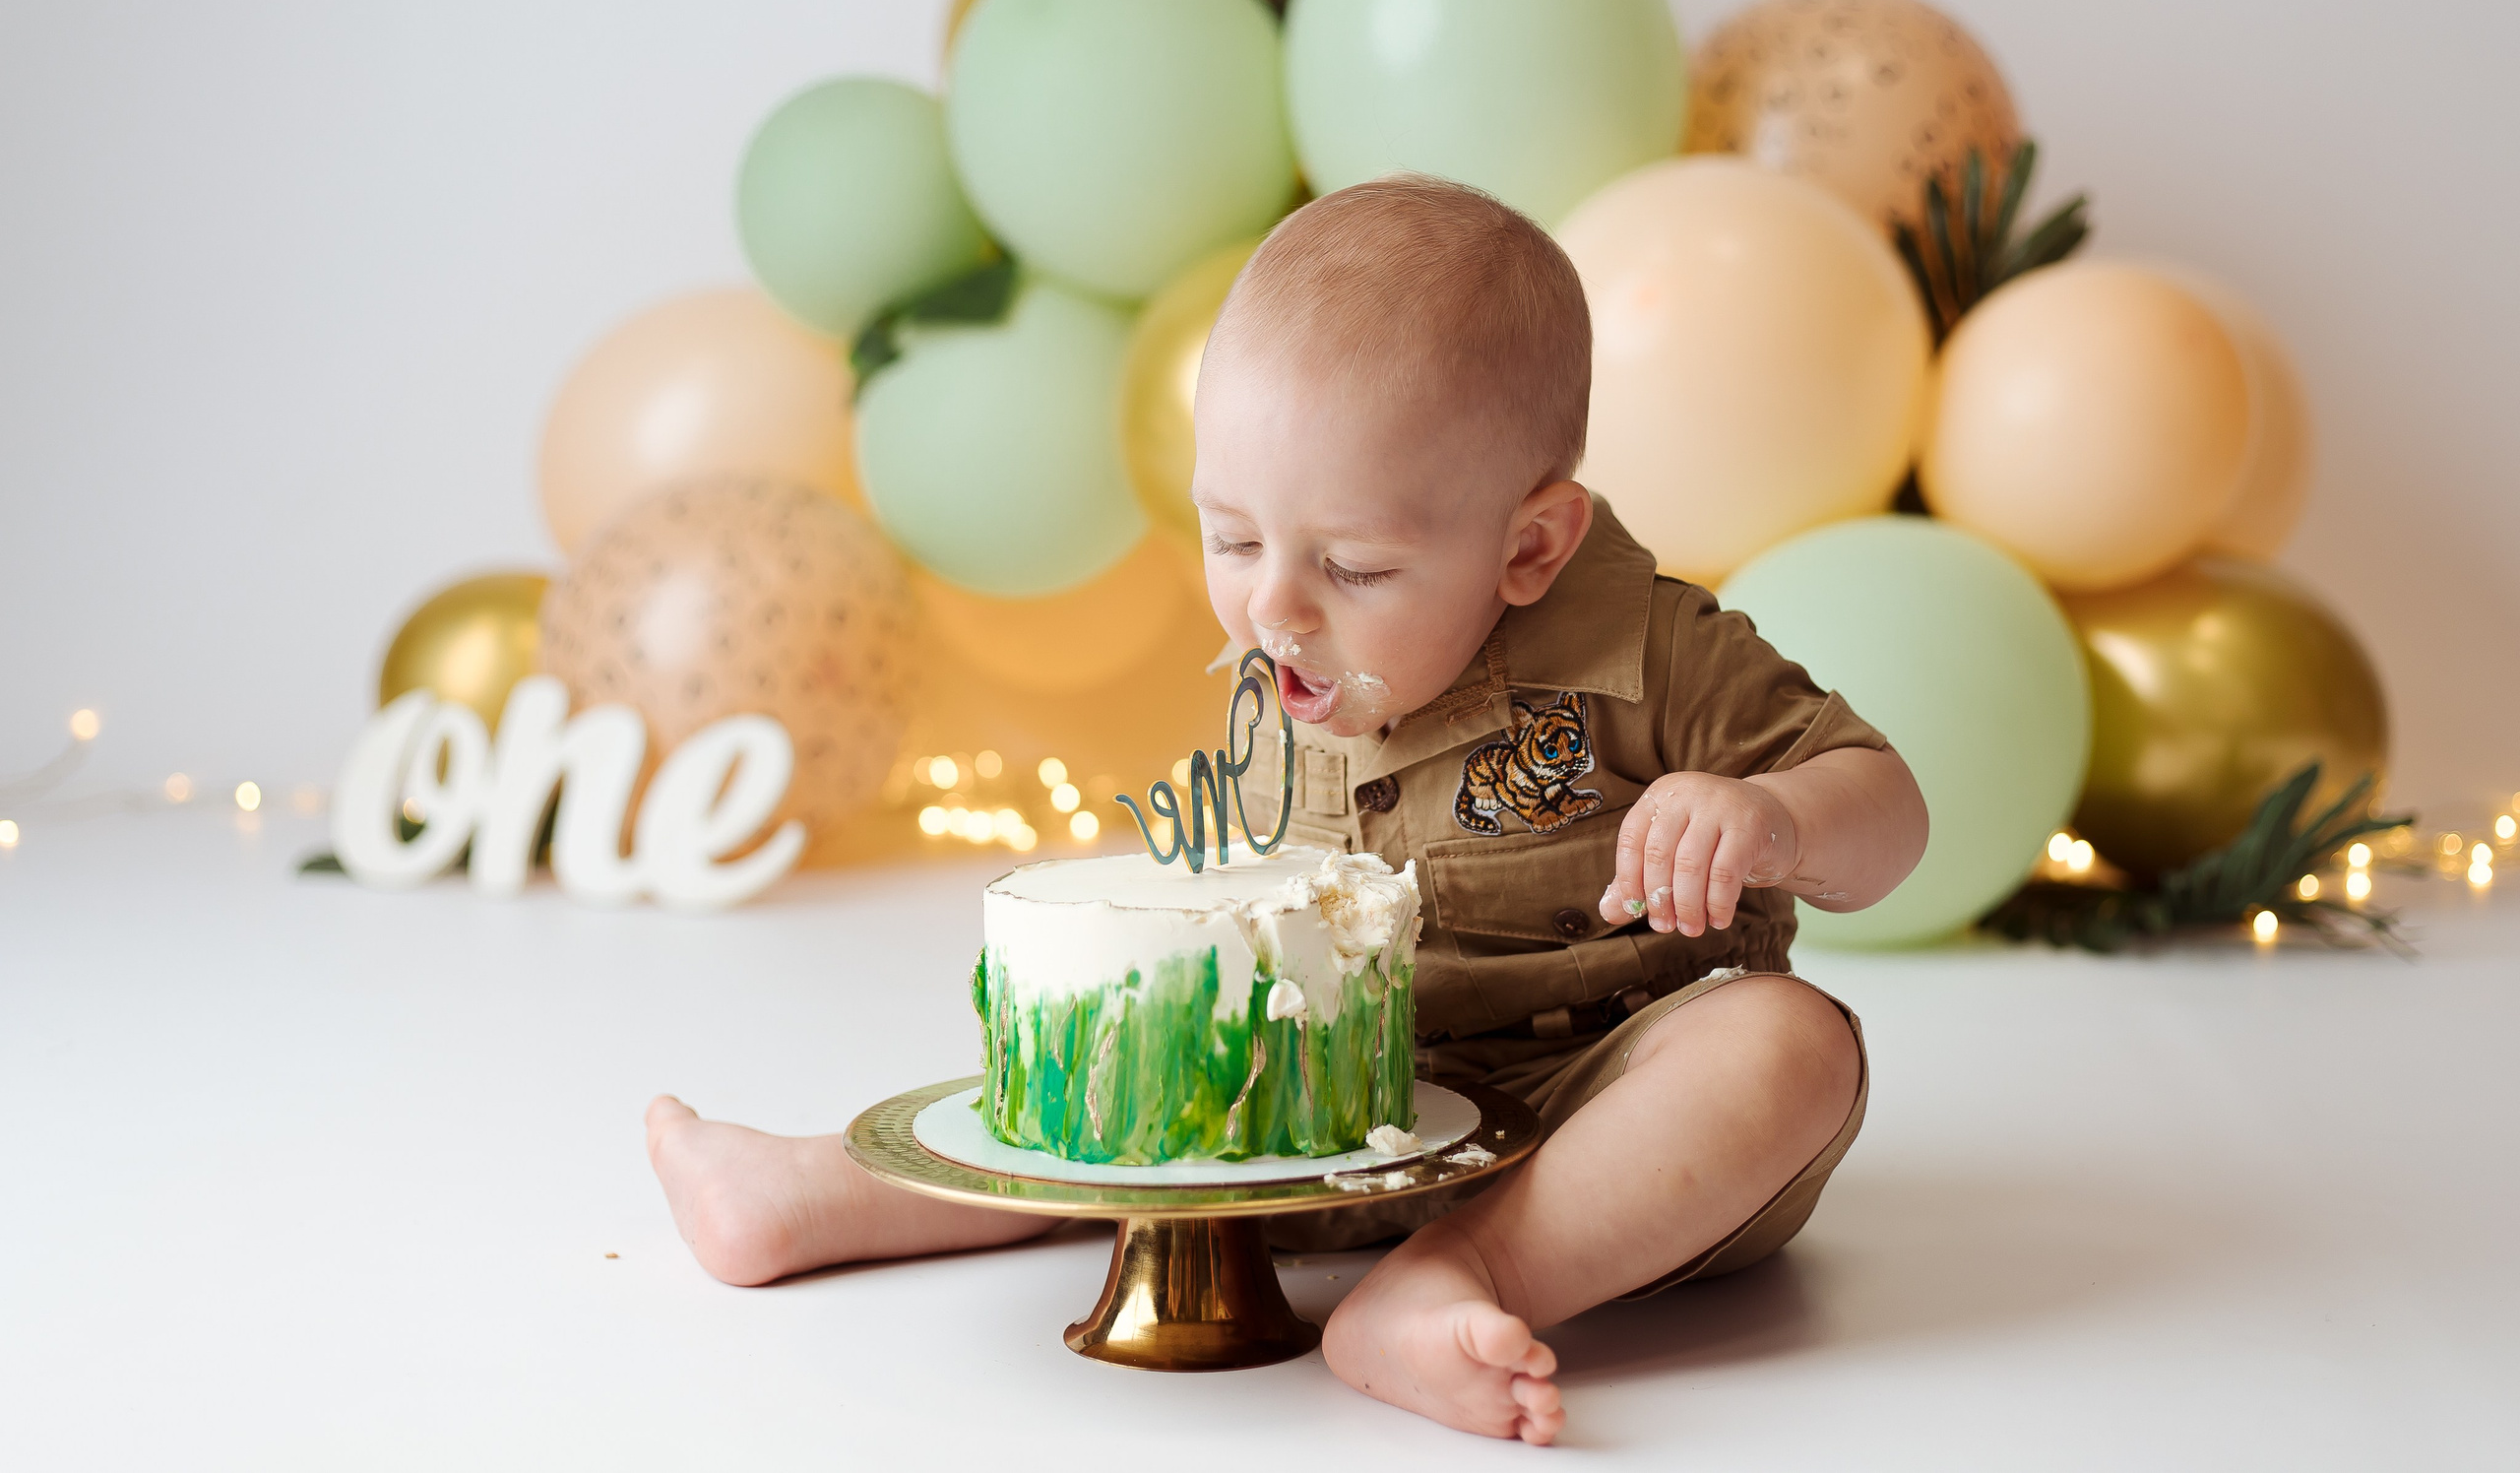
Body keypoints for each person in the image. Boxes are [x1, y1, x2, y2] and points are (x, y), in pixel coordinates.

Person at [647, 175, 1928, 1445]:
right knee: (1146, 1068)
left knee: (1790, 1045)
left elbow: (1892, 812)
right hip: (1344, 1110)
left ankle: (1458, 1281)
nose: (1273, 608)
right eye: (1231, 538)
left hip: (1606, 1118)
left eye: (1353, 566)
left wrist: (1773, 818)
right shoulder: (1286, 666)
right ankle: (821, 1193)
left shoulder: (1656, 651)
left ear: (1529, 549)